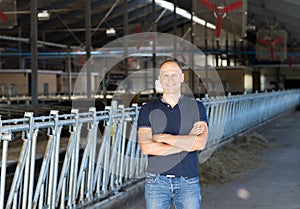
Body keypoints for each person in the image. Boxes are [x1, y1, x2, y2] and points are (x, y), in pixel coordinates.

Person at [137, 59, 209, 209]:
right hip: (156, 182)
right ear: (160, 79)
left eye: (174, 75)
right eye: (166, 75)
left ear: (182, 77)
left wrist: (163, 138)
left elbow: (199, 143)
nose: (170, 79)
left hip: (187, 181)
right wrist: (187, 143)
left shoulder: (196, 107)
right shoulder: (147, 109)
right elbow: (147, 148)